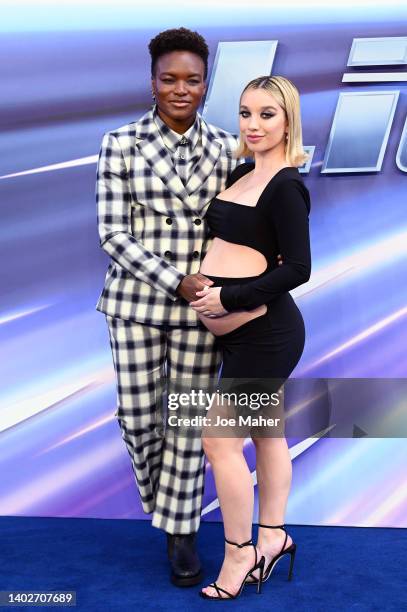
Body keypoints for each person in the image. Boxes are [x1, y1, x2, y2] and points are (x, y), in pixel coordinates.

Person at [95, 28, 239, 586]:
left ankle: (180, 532)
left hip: (203, 309)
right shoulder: (120, 143)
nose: (181, 89)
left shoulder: (229, 147)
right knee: (137, 417)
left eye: (193, 79)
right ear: (152, 82)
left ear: (206, 84)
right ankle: (168, 504)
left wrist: (220, 288)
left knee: (186, 422)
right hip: (135, 301)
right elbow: (112, 234)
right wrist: (175, 279)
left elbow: (241, 226)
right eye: (169, 79)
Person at [189, 76, 311, 600]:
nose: (253, 125)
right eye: (245, 113)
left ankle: (239, 555)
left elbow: (299, 268)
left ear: (288, 120)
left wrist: (229, 299)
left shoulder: (287, 185)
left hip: (268, 333)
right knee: (267, 435)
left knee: (218, 441)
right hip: (236, 336)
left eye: (266, 114)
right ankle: (274, 537)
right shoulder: (242, 172)